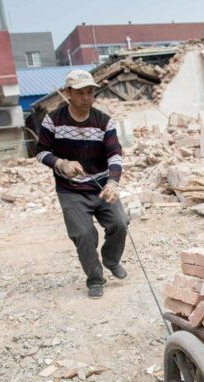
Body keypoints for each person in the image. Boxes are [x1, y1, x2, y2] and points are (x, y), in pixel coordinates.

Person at [36, 70, 127, 299]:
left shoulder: (104, 122)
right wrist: (61, 164)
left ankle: (111, 259)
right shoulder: (53, 120)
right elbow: (41, 152)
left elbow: (115, 155)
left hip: (101, 186)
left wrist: (113, 183)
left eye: (90, 92)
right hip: (71, 190)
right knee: (84, 234)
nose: (86, 97)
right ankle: (95, 279)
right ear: (68, 93)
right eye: (80, 93)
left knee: (120, 223)